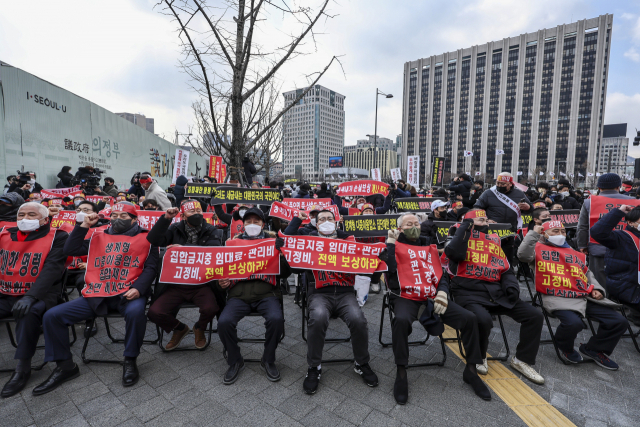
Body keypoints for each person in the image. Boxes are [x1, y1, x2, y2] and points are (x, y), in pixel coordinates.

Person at [36, 202, 159, 394]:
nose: (118, 219)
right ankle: (65, 366)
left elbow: (151, 268)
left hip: (128, 293)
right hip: (97, 294)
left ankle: (130, 360)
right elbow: (70, 249)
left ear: (135, 219)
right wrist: (83, 226)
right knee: (52, 316)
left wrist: (138, 289)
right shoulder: (97, 235)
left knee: (136, 315)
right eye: (115, 215)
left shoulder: (147, 238)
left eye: (124, 216)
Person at [381, 213, 490, 403]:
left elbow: (442, 275)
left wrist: (443, 293)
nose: (414, 226)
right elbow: (389, 273)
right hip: (405, 296)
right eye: (409, 224)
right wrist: (390, 245)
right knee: (400, 320)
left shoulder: (429, 246)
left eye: (417, 223)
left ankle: (471, 370)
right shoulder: (392, 246)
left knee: (470, 318)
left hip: (432, 296)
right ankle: (401, 373)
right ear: (399, 229)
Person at [444, 209, 544, 384]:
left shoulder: (493, 241)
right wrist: (465, 227)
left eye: (486, 220)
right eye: (480, 220)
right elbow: (454, 253)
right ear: (468, 223)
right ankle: (479, 355)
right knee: (483, 320)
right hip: (468, 292)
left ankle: (522, 360)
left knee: (534, 316)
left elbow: (505, 269)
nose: (486, 224)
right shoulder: (457, 238)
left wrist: (511, 286)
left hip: (497, 292)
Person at [518, 220, 627, 369]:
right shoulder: (537, 248)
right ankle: (565, 347)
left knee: (619, 321)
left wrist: (598, 290)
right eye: (555, 231)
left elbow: (587, 274)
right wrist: (534, 234)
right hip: (557, 296)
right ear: (545, 234)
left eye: (562, 231)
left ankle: (594, 349)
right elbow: (522, 255)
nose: (560, 234)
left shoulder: (573, 252)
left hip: (582, 295)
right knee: (573, 323)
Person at [298, 209, 378, 395]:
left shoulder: (349, 241)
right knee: (317, 318)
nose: (326, 221)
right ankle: (314, 367)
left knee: (358, 320)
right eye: (322, 219)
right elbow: (293, 268)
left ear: (337, 221)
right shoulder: (308, 242)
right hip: (319, 294)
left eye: (329, 218)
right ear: (316, 224)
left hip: (345, 293)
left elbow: (368, 261)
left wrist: (380, 256)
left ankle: (361, 362)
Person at [0, 202, 69, 398]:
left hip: (41, 293)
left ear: (45, 220)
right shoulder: (4, 234)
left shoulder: (58, 237)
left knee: (27, 312)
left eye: (31, 215)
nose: (24, 218)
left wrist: (30, 296)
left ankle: (23, 368)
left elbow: (52, 269)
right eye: (21, 214)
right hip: (6, 291)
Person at [217, 208, 290, 384]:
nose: (252, 225)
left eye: (256, 222)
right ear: (242, 225)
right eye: (248, 221)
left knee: (276, 319)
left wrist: (282, 255)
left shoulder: (272, 243)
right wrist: (221, 281)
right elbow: (220, 270)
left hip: (266, 293)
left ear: (263, 224)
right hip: (238, 294)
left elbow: (286, 273)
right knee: (223, 323)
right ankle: (235, 360)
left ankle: (268, 358)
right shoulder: (231, 244)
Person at [146, 200, 223, 350]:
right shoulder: (174, 229)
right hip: (175, 284)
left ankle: (200, 328)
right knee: (154, 312)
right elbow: (153, 240)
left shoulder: (212, 229)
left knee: (211, 308)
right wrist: (166, 219)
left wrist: (183, 248)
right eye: (192, 212)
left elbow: (213, 250)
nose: (196, 214)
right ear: (183, 216)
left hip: (201, 283)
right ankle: (179, 328)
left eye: (199, 211)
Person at [577, 173, 633, 290]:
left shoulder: (589, 202)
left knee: (599, 283)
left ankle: (604, 304)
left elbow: (582, 227)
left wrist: (582, 245)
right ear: (618, 187)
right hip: (628, 249)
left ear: (599, 188)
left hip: (598, 248)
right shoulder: (633, 201)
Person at [64, 200, 107, 338]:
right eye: (78, 210)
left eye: (86, 210)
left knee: (84, 282)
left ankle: (90, 319)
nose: (81, 212)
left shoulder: (102, 231)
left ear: (95, 214)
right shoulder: (65, 227)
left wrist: (91, 264)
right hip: (67, 268)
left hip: (88, 269)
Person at [590, 205, 640, 321]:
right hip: (626, 286)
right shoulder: (621, 237)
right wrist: (618, 212)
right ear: (630, 222)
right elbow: (598, 232)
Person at [473, 172, 531, 265]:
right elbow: (476, 208)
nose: (500, 185)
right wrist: (486, 220)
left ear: (510, 184)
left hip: (510, 231)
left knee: (507, 259)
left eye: (503, 184)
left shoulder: (519, 194)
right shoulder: (488, 193)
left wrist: (528, 208)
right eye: (498, 183)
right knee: (489, 258)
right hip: (491, 231)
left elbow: (531, 209)